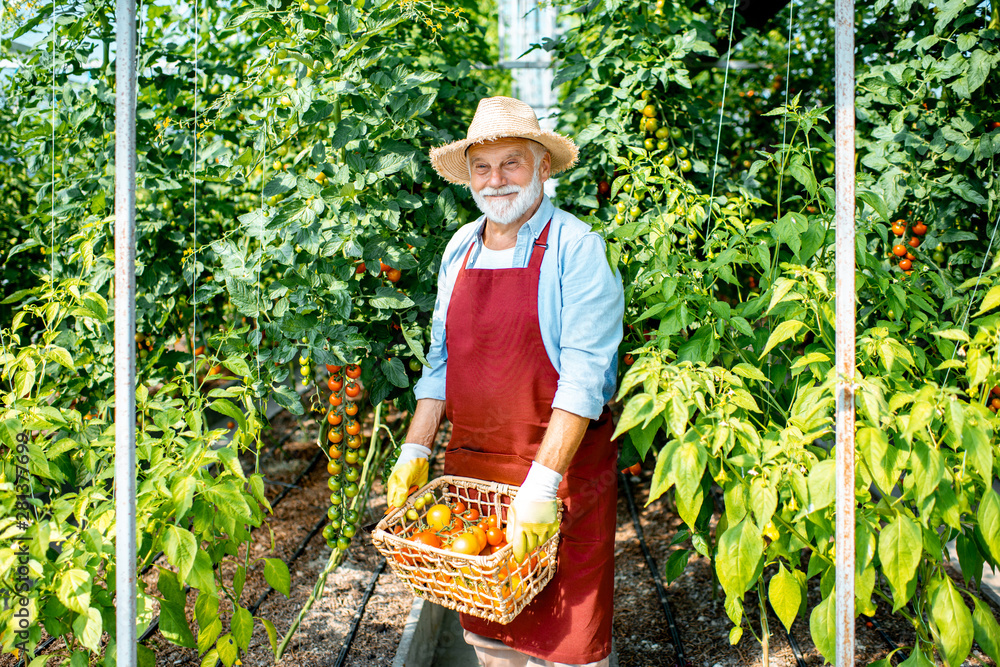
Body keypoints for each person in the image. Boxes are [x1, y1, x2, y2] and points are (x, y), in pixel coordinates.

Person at [385, 96, 624, 667]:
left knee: (570, 645)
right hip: (476, 484)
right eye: (483, 167)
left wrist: (541, 488)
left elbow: (585, 379)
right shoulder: (459, 249)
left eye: (512, 163)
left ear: (543, 166)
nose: (496, 181)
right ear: (468, 176)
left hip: (557, 480)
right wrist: (415, 447)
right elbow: (440, 362)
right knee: (491, 641)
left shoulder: (577, 249)